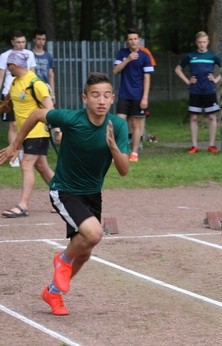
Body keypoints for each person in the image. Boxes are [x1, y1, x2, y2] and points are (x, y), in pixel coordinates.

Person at [0, 72, 129, 315]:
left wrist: (113, 147)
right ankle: (62, 260)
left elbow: (123, 171)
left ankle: (53, 292)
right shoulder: (71, 119)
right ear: (84, 98)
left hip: (92, 193)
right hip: (65, 190)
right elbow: (37, 114)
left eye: (106, 95)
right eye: (95, 95)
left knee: (85, 251)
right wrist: (16, 144)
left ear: (112, 99)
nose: (101, 100)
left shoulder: (118, 126)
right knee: (94, 234)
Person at [1, 51, 54, 218]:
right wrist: (4, 106)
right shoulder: (15, 83)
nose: (8, 68)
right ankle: (67, 197)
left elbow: (50, 109)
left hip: (38, 131)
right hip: (24, 133)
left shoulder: (35, 83)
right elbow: (7, 106)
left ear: (15, 65)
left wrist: (58, 130)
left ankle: (23, 205)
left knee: (26, 165)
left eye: (9, 65)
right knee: (42, 168)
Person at [175, 31, 222, 154]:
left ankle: (211, 145)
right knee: (194, 117)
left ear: (208, 42)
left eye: (204, 42)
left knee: (212, 117)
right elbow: (178, 69)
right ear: (196, 43)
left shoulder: (213, 56)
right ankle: (194, 146)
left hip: (209, 91)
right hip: (195, 91)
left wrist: (216, 79)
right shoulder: (190, 56)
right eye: (200, 42)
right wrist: (187, 81)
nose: (202, 44)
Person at [113, 27, 154, 162]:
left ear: (139, 40)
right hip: (124, 94)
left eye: (135, 39)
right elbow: (115, 70)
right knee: (119, 123)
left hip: (138, 96)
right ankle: (118, 151)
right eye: (130, 39)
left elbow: (147, 78)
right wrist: (128, 60)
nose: (133, 41)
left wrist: (145, 97)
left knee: (136, 124)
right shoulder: (122, 53)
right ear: (127, 41)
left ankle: (134, 152)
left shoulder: (145, 56)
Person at [0, 30, 37, 167]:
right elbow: (1, 75)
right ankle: (13, 154)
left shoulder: (30, 54)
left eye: (23, 42)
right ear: (12, 42)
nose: (21, 45)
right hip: (9, 92)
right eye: (18, 42)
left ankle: (23, 152)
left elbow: (32, 73)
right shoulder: (5, 56)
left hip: (26, 93)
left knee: (25, 123)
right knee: (13, 124)